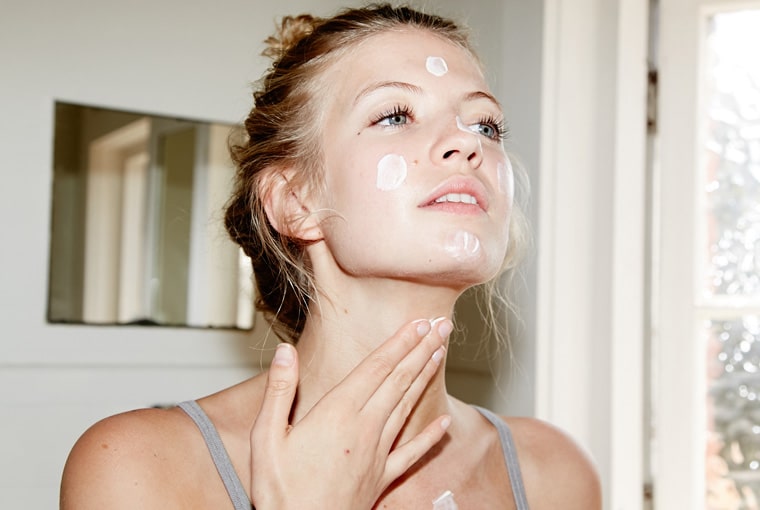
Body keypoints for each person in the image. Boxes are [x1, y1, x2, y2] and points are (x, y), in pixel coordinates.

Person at [60, 4, 601, 509]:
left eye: (485, 125)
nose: (468, 144)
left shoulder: (554, 473)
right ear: (295, 202)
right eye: (394, 115)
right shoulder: (140, 469)